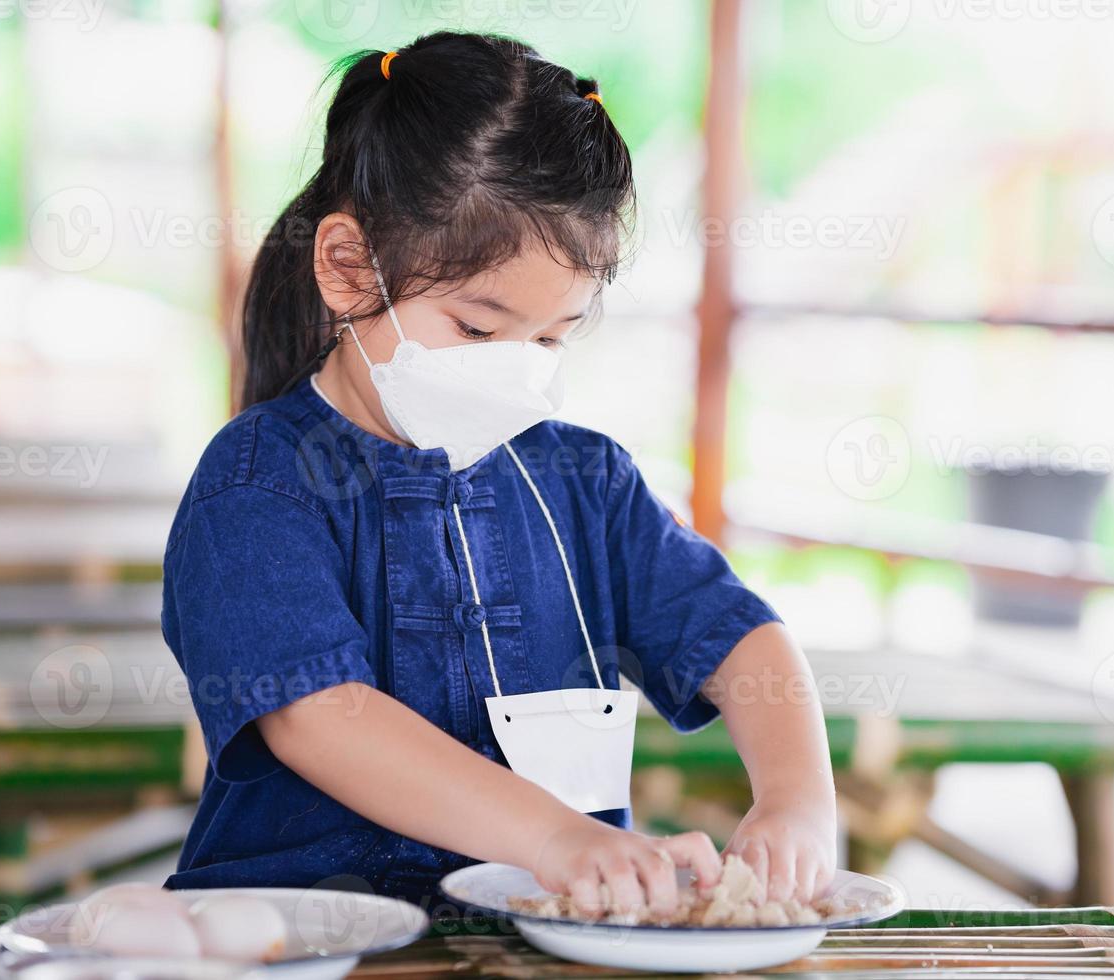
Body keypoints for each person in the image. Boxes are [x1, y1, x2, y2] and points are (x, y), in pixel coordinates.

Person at [161, 30, 835, 915]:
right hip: (306, 942)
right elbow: (320, 719)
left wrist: (797, 802)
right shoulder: (257, 483)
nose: (517, 366)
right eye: (478, 329)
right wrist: (557, 835)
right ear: (348, 266)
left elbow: (743, 640)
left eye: (552, 336)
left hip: (542, 949)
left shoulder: (587, 483)